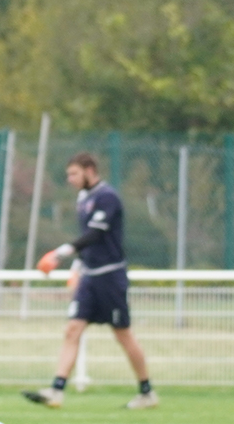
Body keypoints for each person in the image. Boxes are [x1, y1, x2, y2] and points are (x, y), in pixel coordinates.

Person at [23, 151, 157, 410]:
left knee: (123, 335)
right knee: (72, 329)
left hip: (110, 277)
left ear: (89, 170)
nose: (70, 179)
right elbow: (88, 241)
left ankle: (147, 392)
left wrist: (60, 253)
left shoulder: (107, 197)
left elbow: (95, 234)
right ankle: (56, 391)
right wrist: (77, 267)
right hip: (90, 277)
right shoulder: (84, 198)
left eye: (73, 173)